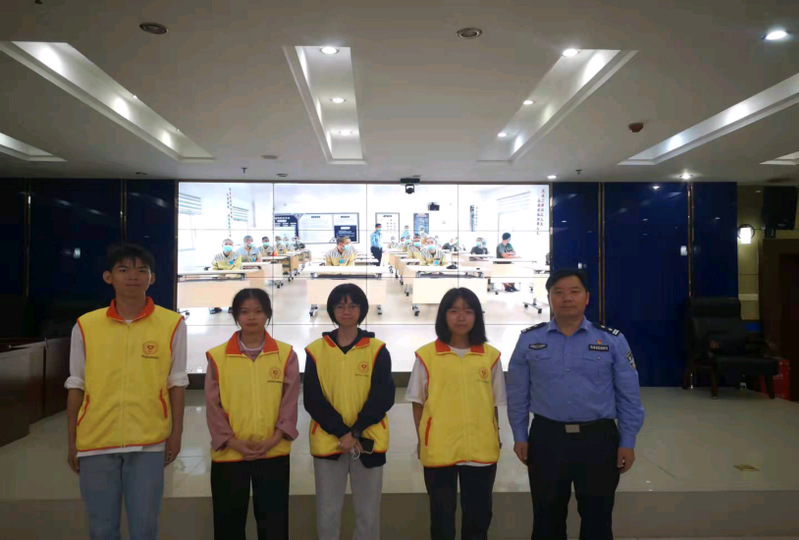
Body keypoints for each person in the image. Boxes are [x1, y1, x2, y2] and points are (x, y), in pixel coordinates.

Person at [506, 269, 645, 540]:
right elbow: (517, 394)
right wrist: (520, 436)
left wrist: (627, 440)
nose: (566, 298)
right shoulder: (529, 340)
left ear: (587, 298)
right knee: (546, 518)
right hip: (547, 439)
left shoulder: (612, 340)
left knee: (598, 519)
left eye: (574, 292)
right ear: (549, 298)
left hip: (598, 439)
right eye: (558, 292)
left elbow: (629, 396)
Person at [65, 243, 187, 540]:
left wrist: (176, 435)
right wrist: (72, 441)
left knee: (145, 528)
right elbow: (76, 385)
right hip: (96, 440)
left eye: (141, 270)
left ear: (152, 278)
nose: (133, 276)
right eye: (123, 270)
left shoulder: (172, 323)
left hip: (148, 441)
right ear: (108, 277)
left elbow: (177, 383)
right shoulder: (86, 325)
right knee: (102, 529)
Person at [408, 288, 505, 540]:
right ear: (443, 315)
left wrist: (495, 434)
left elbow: (493, 403)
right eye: (454, 311)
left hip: (481, 449)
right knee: (442, 521)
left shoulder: (490, 357)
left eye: (468, 311)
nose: (461, 317)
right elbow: (418, 403)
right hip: (440, 448)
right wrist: (422, 440)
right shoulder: (427, 356)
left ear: (477, 317)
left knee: (478, 519)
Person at [205, 288, 299, 540]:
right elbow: (213, 406)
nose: (252, 317)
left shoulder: (285, 354)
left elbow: (289, 402)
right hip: (229, 452)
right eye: (245, 312)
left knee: (274, 523)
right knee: (228, 524)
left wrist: (275, 438)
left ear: (268, 314)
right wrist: (232, 441)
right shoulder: (217, 356)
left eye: (258, 311)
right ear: (236, 315)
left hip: (273, 451)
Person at [304, 284, 395, 540]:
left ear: (362, 310)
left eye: (353, 305)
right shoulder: (316, 350)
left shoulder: (377, 349)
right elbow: (313, 399)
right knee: (327, 513)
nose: (346, 311)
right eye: (340, 306)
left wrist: (354, 432)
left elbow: (383, 397)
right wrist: (341, 432)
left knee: (368, 514)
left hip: (368, 442)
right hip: (328, 442)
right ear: (332, 310)